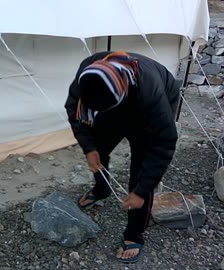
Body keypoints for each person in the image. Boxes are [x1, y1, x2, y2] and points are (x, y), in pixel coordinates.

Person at [64, 51, 180, 263]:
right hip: (114, 102)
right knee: (98, 147)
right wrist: (89, 149)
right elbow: (75, 111)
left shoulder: (152, 96)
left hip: (156, 98)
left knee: (140, 170)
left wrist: (141, 191)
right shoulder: (87, 75)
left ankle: (134, 234)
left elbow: (163, 143)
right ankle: (102, 189)